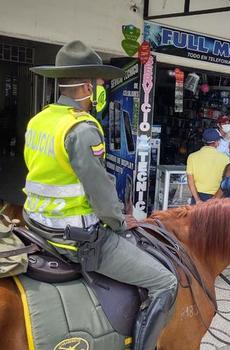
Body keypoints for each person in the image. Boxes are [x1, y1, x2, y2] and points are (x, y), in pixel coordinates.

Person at [24, 41, 177, 350]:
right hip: (72, 238)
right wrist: (120, 222)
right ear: (85, 87)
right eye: (99, 84)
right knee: (166, 283)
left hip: (36, 224)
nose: (100, 90)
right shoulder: (82, 129)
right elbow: (101, 194)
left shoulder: (39, 120)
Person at [187, 128, 230, 204]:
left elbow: (190, 180)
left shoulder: (192, 156)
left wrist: (197, 200)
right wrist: (216, 198)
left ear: (204, 141)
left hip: (197, 195)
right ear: (216, 142)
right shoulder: (225, 158)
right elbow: (226, 182)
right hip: (217, 196)